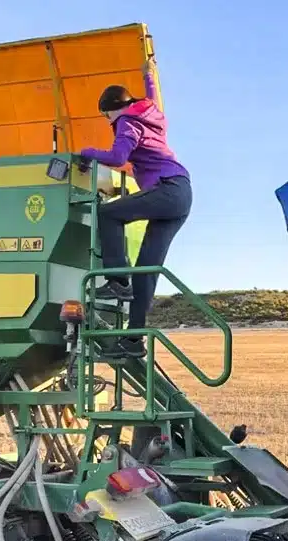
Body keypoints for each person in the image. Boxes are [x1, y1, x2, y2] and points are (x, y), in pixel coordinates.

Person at [78, 56, 192, 359]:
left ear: (111, 109)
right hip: (180, 193)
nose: (108, 122)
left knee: (108, 213)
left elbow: (117, 158)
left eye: (106, 115)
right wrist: (149, 75)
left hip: (167, 189)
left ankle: (117, 280)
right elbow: (152, 97)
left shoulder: (126, 122)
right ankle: (132, 340)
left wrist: (86, 153)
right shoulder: (149, 113)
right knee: (146, 270)